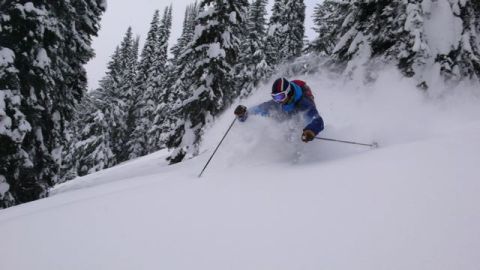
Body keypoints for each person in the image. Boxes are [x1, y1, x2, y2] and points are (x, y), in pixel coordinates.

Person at [234, 78, 324, 142]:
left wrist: (311, 130)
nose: (278, 100)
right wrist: (244, 114)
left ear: (288, 93)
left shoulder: (304, 103)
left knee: (300, 122)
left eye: (280, 96)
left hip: (300, 101)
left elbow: (318, 120)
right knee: (278, 116)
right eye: (274, 97)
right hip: (289, 106)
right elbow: (259, 110)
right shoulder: (277, 102)